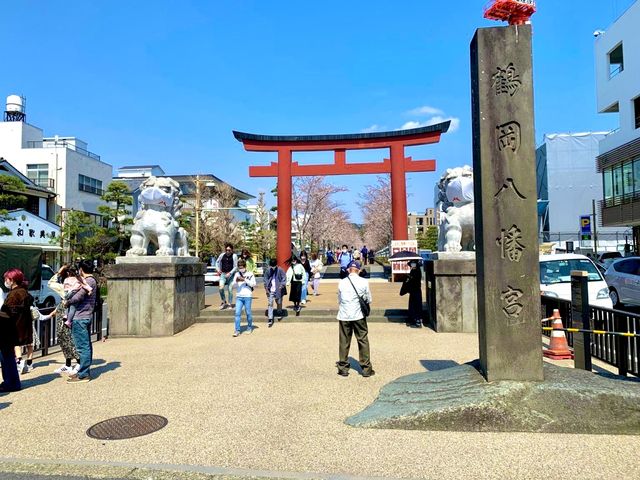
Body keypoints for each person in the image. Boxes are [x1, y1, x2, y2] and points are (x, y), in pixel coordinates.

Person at [336, 261, 374, 377]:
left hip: (344, 315)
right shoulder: (364, 282)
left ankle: (343, 367)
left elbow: (339, 299)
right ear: (359, 270)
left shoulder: (341, 283)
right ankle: (366, 368)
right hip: (358, 314)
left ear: (348, 270)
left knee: (344, 341)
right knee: (362, 339)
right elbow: (369, 299)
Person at [0, 269, 33, 392]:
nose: (5, 281)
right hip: (15, 330)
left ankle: (11, 383)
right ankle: (11, 381)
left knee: (6, 358)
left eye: (6, 279)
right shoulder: (22, 292)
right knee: (8, 357)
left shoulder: (15, 294)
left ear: (12, 280)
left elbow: (9, 314)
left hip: (8, 330)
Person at [65, 259, 98, 383]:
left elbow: (78, 297)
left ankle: (84, 374)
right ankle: (83, 371)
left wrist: (67, 300)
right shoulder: (92, 280)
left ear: (81, 269)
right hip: (86, 316)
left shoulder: (89, 281)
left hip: (80, 317)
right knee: (86, 345)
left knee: (82, 347)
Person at [48, 265, 80, 374]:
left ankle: (77, 362)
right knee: (67, 336)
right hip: (75, 311)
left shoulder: (65, 287)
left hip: (65, 310)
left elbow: (50, 283)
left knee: (65, 336)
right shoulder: (80, 283)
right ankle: (69, 363)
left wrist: (59, 271)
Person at [232, 259, 256, 337]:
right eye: (239, 267)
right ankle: (237, 330)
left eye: (242, 267)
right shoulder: (237, 274)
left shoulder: (250, 273)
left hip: (247, 295)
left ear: (245, 266)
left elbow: (253, 284)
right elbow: (233, 285)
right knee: (237, 313)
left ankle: (249, 327)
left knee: (248, 312)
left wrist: (244, 279)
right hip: (239, 296)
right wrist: (236, 281)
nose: (241, 269)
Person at [263, 258, 286, 327]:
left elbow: (284, 277)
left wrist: (282, 285)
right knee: (270, 303)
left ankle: (279, 311)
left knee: (279, 301)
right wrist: (266, 288)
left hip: (278, 289)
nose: (272, 267)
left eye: (274, 266)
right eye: (271, 266)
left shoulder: (280, 270)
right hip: (270, 289)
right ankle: (270, 318)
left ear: (276, 264)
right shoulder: (268, 270)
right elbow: (265, 279)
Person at [400, 260, 423, 328]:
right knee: (412, 305)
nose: (412, 265)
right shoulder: (412, 270)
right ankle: (412, 319)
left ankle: (418, 321)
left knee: (417, 305)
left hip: (416, 290)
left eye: (413, 263)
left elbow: (416, 279)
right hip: (412, 290)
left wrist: (410, 277)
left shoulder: (418, 270)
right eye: (411, 264)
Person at [216, 243, 238, 310]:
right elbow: (217, 262)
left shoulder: (234, 256)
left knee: (230, 290)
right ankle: (223, 301)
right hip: (223, 274)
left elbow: (235, 266)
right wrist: (218, 269)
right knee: (220, 288)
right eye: (226, 250)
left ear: (232, 250)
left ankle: (230, 303)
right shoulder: (222, 255)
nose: (228, 251)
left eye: (229, 250)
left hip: (230, 275)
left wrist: (230, 273)